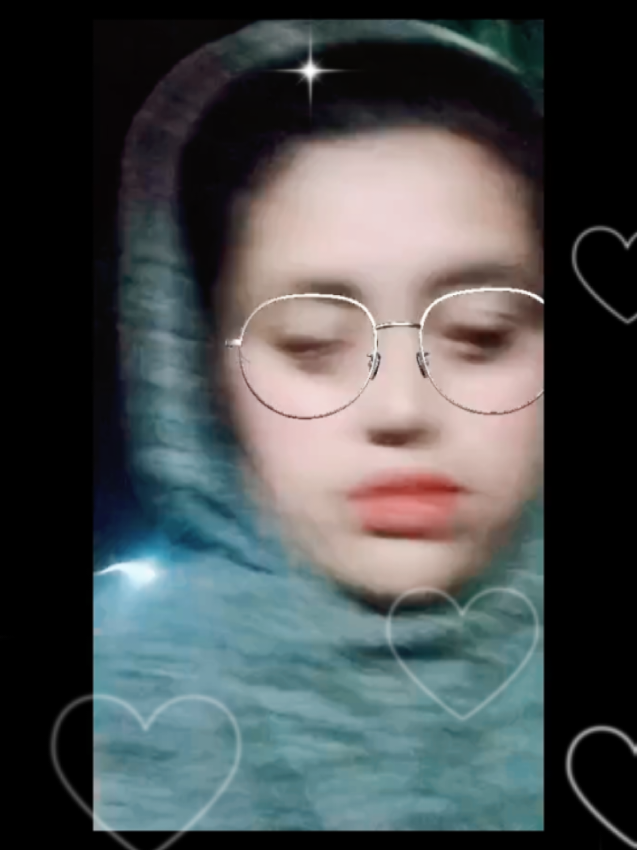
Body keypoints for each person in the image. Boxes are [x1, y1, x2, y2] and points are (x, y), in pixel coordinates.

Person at [94, 20, 544, 831]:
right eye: (311, 344)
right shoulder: (115, 724)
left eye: (480, 335)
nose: (402, 409)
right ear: (201, 376)